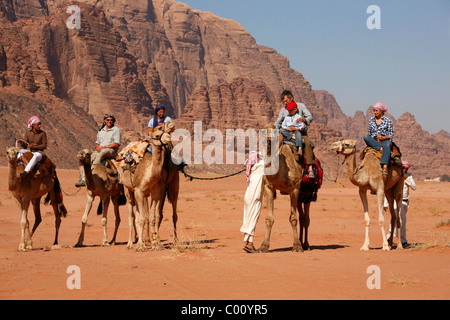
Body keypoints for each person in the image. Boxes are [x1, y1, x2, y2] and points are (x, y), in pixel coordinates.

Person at [275, 90, 314, 178]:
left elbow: (310, 117)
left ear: (291, 98)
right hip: (287, 132)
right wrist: (274, 130)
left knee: (307, 144)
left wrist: (303, 120)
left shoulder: (301, 106)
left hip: (300, 131)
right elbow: (278, 122)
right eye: (283, 102)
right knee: (275, 143)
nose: (285, 103)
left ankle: (310, 168)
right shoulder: (283, 110)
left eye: (286, 101)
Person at [75, 113, 122, 187]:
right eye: (108, 120)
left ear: (113, 121)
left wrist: (104, 147)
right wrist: (97, 147)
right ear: (104, 120)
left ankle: (91, 169)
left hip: (111, 151)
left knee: (102, 153)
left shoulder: (116, 130)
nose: (109, 121)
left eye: (111, 120)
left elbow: (116, 144)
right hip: (100, 149)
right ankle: (83, 178)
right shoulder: (101, 130)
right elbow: (97, 143)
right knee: (86, 155)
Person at [385, 160, 416, 247]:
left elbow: (414, 187)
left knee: (402, 221)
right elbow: (388, 189)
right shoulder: (395, 177)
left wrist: (406, 178)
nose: (404, 170)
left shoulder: (409, 176)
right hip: (398, 202)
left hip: (406, 202)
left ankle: (391, 238)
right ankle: (401, 240)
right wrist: (385, 203)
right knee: (399, 220)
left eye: (406, 169)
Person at [240, 151, 264, 253]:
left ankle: (248, 242)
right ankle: (249, 243)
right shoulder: (261, 167)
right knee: (253, 218)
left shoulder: (254, 170)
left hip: (248, 196)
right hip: (255, 197)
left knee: (248, 218)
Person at [363, 102, 394, 177]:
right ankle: (382, 149)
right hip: (374, 140)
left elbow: (391, 134)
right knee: (366, 137)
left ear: (381, 111)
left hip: (384, 139)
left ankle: (385, 166)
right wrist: (374, 139)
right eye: (374, 111)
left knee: (387, 144)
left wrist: (383, 137)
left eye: (376, 110)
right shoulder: (371, 120)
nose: (375, 112)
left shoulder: (388, 120)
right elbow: (369, 133)